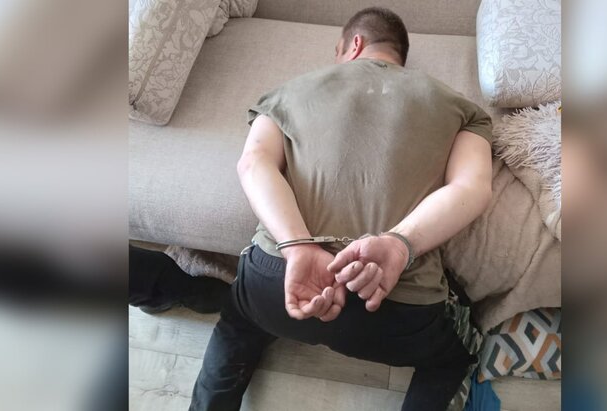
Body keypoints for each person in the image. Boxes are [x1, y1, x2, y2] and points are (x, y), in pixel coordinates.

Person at [189, 7, 493, 411]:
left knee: (239, 320)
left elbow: (252, 163)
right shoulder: (463, 110)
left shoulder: (287, 91)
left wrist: (298, 248)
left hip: (278, 285)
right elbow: (472, 187)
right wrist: (399, 244)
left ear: (354, 44)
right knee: (454, 356)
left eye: (337, 52)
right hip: (395, 306)